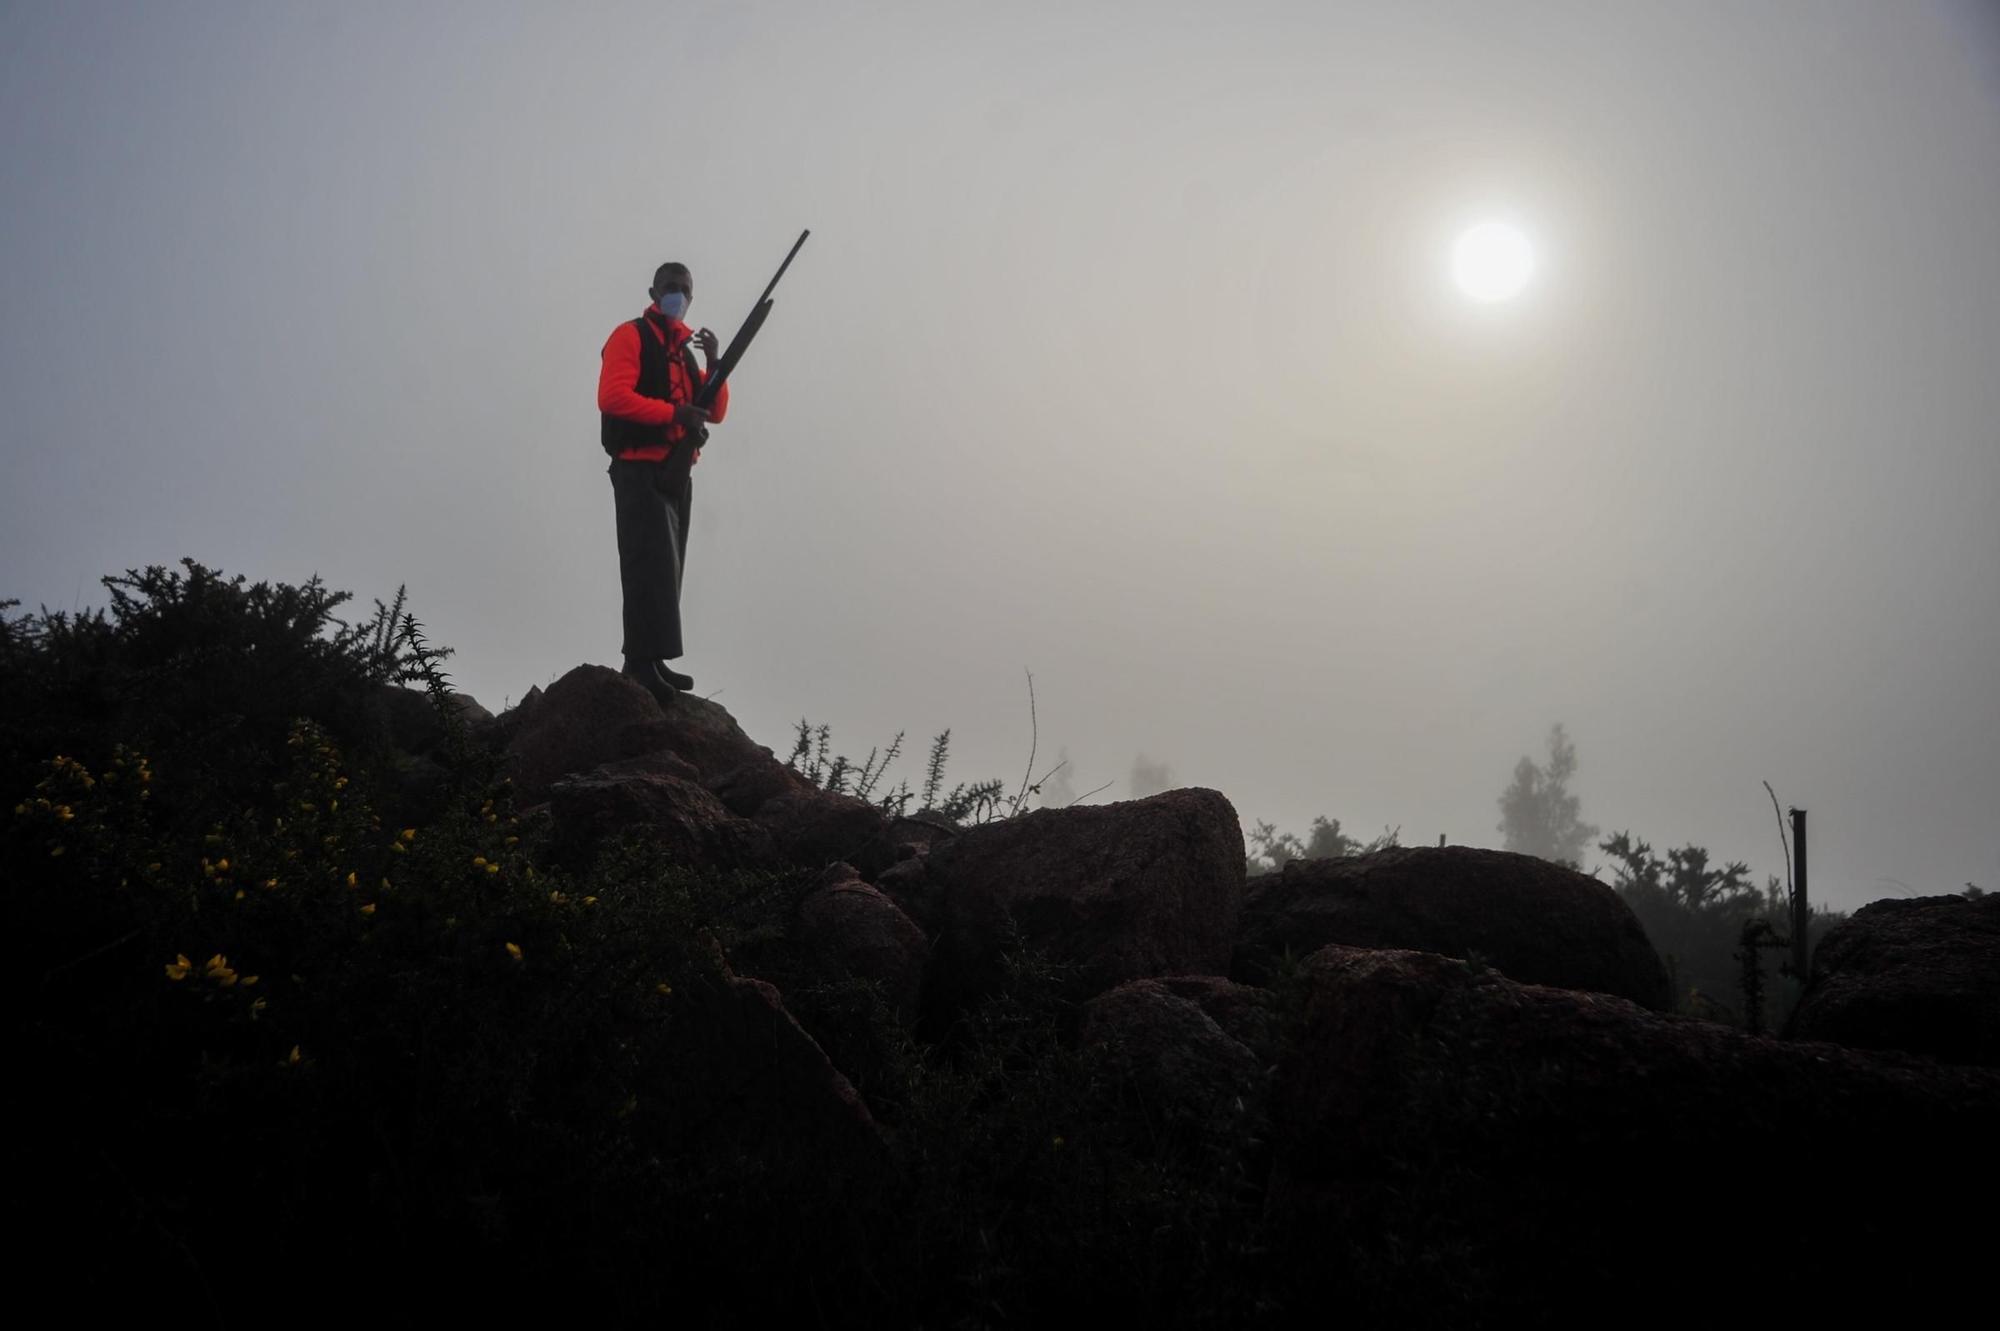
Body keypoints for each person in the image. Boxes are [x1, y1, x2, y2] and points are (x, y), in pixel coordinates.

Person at [598, 261, 730, 705]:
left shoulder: (684, 352)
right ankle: (638, 664)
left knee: (667, 570)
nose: (677, 294)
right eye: (670, 287)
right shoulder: (630, 335)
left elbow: (715, 411)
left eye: (684, 289)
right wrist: (675, 415)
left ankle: (652, 660)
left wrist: (714, 362)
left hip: (675, 473)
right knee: (645, 564)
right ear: (653, 290)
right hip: (638, 466)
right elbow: (613, 397)